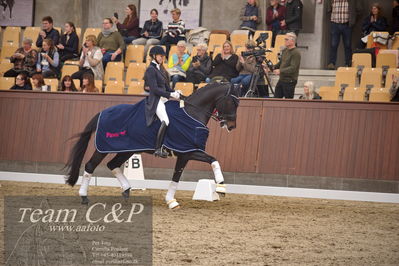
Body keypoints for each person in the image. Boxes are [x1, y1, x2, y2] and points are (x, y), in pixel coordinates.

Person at [143, 46, 180, 158]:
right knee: (166, 120)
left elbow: (166, 87)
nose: (162, 58)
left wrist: (175, 92)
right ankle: (158, 148)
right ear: (154, 56)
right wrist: (170, 95)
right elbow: (154, 89)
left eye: (163, 56)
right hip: (156, 100)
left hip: (164, 99)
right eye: (160, 56)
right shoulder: (151, 69)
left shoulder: (160, 69)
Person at [326, 0, 362, 70]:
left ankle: (348, 63)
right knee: (333, 45)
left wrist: (353, 20)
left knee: (347, 45)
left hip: (347, 25)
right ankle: (331, 63)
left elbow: (359, 10)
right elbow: (329, 9)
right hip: (335, 24)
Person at [272, 32, 301, 99]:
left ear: (292, 41)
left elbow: (293, 68)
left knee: (288, 102)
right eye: (285, 39)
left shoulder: (296, 53)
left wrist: (280, 71)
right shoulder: (285, 50)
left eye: (286, 39)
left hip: (289, 81)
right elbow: (281, 63)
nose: (284, 41)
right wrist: (272, 67)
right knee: (276, 99)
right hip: (282, 79)